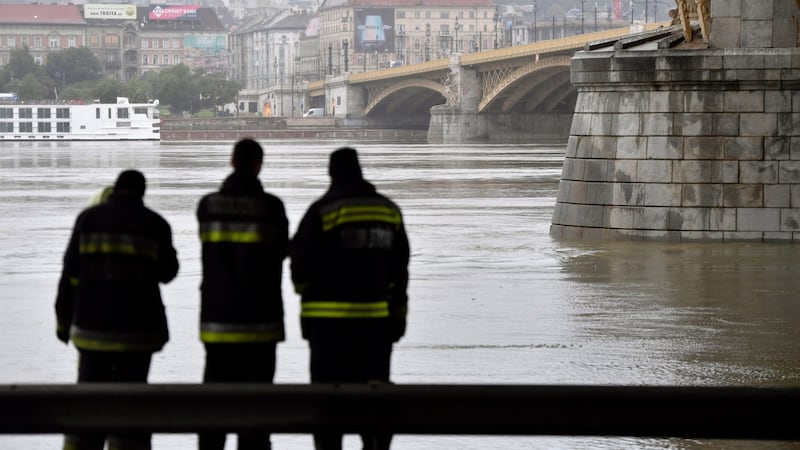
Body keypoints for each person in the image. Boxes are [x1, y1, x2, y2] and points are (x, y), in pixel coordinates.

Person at [290, 147, 410, 450]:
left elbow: (300, 266)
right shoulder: (389, 211)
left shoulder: (322, 211)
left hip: (328, 329)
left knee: (329, 404)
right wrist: (397, 315)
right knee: (373, 401)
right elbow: (401, 270)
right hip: (375, 327)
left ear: (331, 173)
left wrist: (307, 296)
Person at [55, 169, 179, 450]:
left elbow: (70, 274)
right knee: (132, 406)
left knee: (87, 403)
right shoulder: (155, 224)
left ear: (115, 189)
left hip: (90, 333)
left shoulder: (88, 220)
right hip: (137, 336)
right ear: (142, 193)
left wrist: (64, 326)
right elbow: (168, 273)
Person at [196, 138, 289, 450]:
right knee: (257, 411)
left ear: (232, 162)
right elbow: (280, 253)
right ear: (258, 165)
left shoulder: (208, 205)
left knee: (214, 408)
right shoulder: (272, 207)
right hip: (261, 324)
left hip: (217, 321)